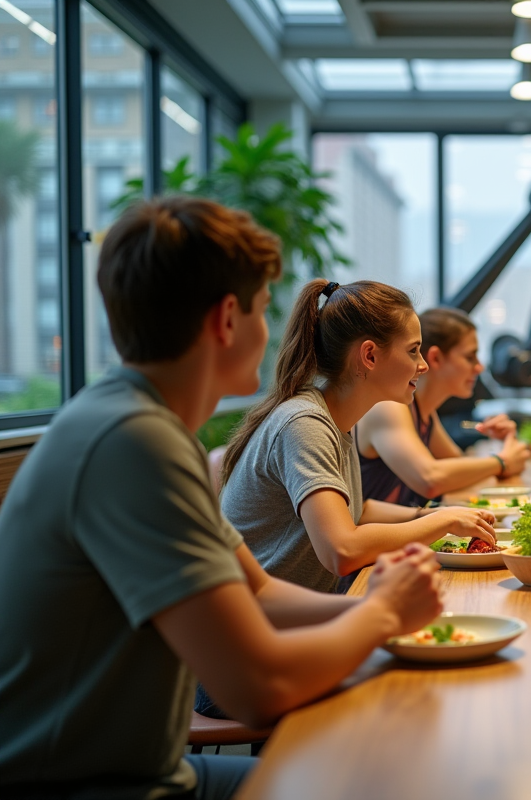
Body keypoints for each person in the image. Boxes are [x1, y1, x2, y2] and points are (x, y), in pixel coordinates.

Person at [0, 197, 444, 800]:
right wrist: (382, 614)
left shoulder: (141, 424)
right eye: (263, 310)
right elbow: (255, 685)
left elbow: (256, 589)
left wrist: (390, 605)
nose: (273, 334)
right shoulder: (133, 443)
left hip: (149, 771)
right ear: (226, 320)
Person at [219, 281, 496, 598]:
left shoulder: (335, 418)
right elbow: (342, 550)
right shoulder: (305, 423)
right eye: (412, 350)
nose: (422, 365)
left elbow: (358, 511)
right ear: (369, 356)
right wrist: (442, 521)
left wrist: (435, 516)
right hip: (265, 629)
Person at [355, 307, 531, 506]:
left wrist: (504, 444)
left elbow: (459, 469)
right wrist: (502, 461)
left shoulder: (424, 411)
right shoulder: (388, 406)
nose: (480, 367)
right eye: (470, 357)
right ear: (436, 358)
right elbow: (430, 479)